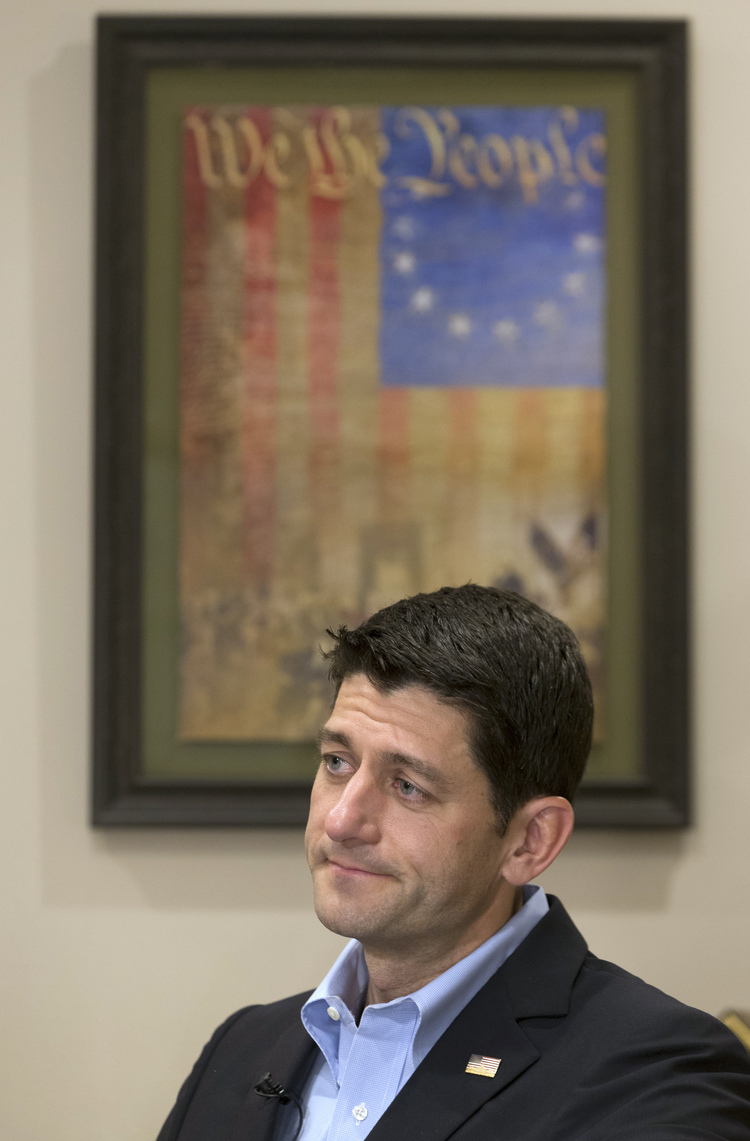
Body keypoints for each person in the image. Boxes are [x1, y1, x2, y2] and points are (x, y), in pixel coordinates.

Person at [157, 585, 750, 1141]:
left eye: (408, 786)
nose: (341, 821)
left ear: (530, 842)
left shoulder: (660, 1076)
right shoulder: (241, 1047)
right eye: (337, 761)